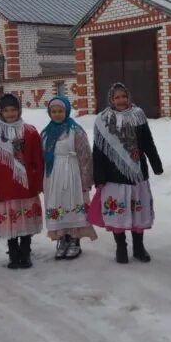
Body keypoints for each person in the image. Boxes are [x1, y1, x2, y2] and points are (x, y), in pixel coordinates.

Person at [88, 82, 163, 264]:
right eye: (117, 97)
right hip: (114, 177)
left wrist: (156, 164)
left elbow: (148, 142)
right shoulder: (102, 120)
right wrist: (99, 177)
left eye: (124, 96)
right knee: (118, 214)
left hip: (137, 174)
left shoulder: (138, 116)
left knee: (138, 212)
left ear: (128, 97)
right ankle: (121, 247)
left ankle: (139, 247)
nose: (121, 100)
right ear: (111, 100)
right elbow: (98, 152)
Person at [0, 93, 45, 269]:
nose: (10, 114)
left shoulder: (30, 132)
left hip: (25, 186)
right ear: (0, 111)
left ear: (19, 110)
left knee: (25, 221)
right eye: (6, 110)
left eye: (14, 110)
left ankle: (25, 251)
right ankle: (13, 253)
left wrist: (38, 183)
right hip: (3, 186)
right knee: (10, 222)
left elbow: (38, 161)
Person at [41, 96, 97, 260]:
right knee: (58, 204)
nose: (57, 114)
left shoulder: (76, 131)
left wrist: (86, 180)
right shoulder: (45, 133)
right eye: (54, 111)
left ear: (66, 111)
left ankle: (74, 240)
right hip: (53, 176)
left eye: (60, 111)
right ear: (49, 113)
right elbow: (41, 156)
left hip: (73, 173)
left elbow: (85, 156)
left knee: (73, 203)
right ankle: (62, 238)